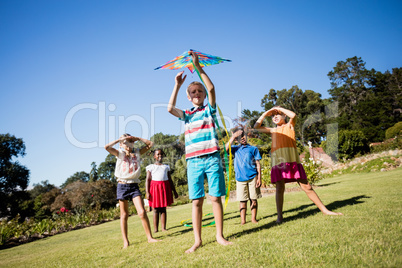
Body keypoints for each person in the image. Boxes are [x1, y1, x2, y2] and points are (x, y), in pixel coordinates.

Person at [167, 51, 232, 253]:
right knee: (196, 201)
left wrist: (197, 67)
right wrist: (177, 85)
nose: (197, 94)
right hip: (193, 161)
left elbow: (211, 87)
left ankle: (219, 236)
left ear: (203, 95)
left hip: (212, 158)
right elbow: (170, 108)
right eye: (193, 92)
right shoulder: (186, 115)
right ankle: (197, 240)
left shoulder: (208, 111)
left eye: (199, 92)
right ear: (189, 97)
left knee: (215, 198)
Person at [254, 107, 342, 223]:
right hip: (279, 162)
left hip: (292, 160)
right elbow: (256, 127)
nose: (275, 116)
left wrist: (278, 108)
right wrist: (266, 113)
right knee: (279, 188)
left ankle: (325, 210)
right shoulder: (272, 130)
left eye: (278, 115)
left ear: (284, 116)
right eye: (273, 116)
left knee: (307, 186)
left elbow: (293, 116)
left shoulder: (290, 125)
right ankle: (280, 217)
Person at [105, 133, 160, 248]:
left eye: (130, 142)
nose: (128, 144)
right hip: (122, 185)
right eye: (125, 142)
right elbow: (107, 147)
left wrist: (138, 138)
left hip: (134, 185)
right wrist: (119, 140)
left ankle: (150, 238)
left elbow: (151, 144)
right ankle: (126, 241)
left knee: (141, 212)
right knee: (124, 215)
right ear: (121, 144)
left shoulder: (137, 153)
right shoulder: (119, 154)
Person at [225, 127, 262, 225]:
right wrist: (233, 137)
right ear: (237, 139)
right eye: (240, 137)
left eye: (243, 136)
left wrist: (259, 178)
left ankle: (253, 219)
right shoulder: (235, 149)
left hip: (253, 177)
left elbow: (258, 164)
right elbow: (225, 149)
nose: (242, 138)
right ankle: (243, 221)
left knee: (253, 199)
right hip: (240, 179)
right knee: (242, 201)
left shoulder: (253, 149)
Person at [145, 149, 179, 232]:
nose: (160, 156)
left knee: (163, 208)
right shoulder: (151, 167)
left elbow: (170, 180)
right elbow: (148, 180)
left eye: (161, 154)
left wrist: (174, 191)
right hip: (155, 188)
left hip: (164, 187)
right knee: (156, 209)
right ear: (154, 156)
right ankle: (156, 229)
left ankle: (163, 228)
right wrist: (147, 192)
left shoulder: (166, 167)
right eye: (158, 154)